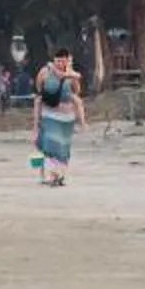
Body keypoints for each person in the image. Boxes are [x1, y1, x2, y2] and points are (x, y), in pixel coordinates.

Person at [30, 50, 84, 187]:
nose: (60, 63)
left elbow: (77, 91)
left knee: (63, 148)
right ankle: (53, 174)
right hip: (49, 115)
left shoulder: (71, 74)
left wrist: (71, 77)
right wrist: (36, 125)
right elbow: (39, 89)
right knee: (49, 144)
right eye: (57, 60)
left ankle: (60, 175)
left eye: (63, 60)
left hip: (66, 118)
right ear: (53, 60)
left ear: (67, 60)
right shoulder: (45, 72)